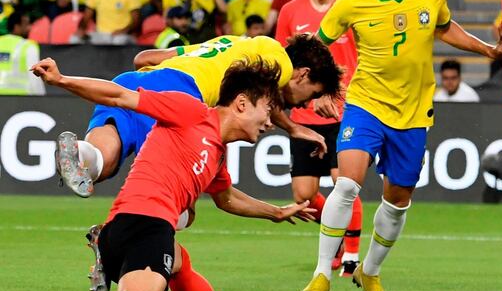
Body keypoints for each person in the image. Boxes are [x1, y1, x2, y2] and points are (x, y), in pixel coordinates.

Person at [21, 57, 314, 291]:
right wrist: (62, 80)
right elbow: (120, 95)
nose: (270, 123)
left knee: (178, 262)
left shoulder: (217, 154)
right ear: (241, 103)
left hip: (135, 224)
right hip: (145, 222)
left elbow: (226, 199)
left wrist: (277, 213)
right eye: (268, 111)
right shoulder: (191, 111)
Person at [298, 0, 502, 291]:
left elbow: (445, 28)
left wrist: (486, 50)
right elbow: (315, 47)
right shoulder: (352, 2)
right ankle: (322, 273)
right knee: (346, 185)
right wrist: (319, 93)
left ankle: (370, 273)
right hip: (365, 105)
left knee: (397, 201)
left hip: (411, 114)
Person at [55, 33, 341, 198]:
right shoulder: (282, 64)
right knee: (176, 209)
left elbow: (144, 58)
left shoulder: (229, 42)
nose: (305, 104)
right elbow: (261, 97)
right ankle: (116, 244)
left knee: (100, 163)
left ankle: (77, 152)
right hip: (178, 94)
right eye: (313, 95)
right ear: (302, 75)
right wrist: (294, 128)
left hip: (132, 82)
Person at [275, 0, 363, 276]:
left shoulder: (352, 6)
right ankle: (339, 237)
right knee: (304, 194)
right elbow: (284, 63)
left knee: (346, 183)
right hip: (304, 116)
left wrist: (338, 94)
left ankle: (352, 255)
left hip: (345, 112)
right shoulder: (290, 12)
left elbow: (363, 58)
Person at [0, 11, 44, 95]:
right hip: (20, 100)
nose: (29, 28)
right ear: (16, 26)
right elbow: (34, 78)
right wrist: (40, 101)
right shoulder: (29, 46)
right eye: (26, 24)